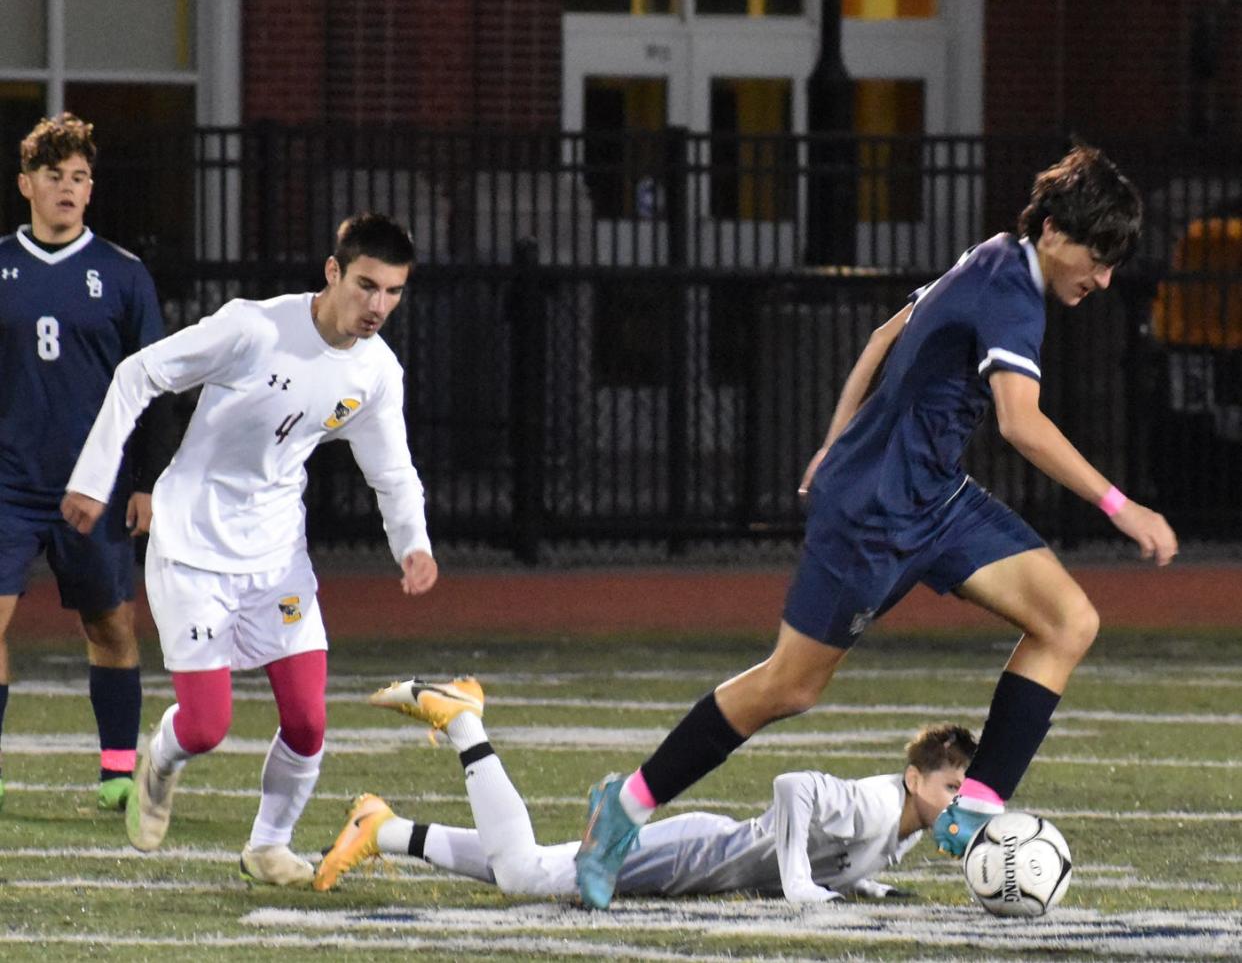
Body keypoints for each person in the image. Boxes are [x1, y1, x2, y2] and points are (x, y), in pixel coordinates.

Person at [574, 145, 1180, 909]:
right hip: (873, 515)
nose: (1103, 279)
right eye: (1099, 257)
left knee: (1070, 619)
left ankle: (977, 809)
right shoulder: (1011, 290)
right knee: (788, 686)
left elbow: (884, 335)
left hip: (936, 499)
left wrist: (836, 436)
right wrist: (1123, 507)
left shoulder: (994, 257)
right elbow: (1021, 425)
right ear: (1055, 231)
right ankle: (623, 806)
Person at [60, 213, 438, 885]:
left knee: (308, 718)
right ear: (332, 272)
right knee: (206, 725)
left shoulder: (377, 372)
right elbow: (138, 374)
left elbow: (392, 469)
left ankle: (269, 844)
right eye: (366, 286)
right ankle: (162, 763)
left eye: (394, 292)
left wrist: (413, 542)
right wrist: (93, 479)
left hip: (275, 553)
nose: (378, 306)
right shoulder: (254, 328)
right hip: (193, 542)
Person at [314, 676, 975, 903]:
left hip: (705, 852)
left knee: (543, 865)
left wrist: (862, 883)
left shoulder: (901, 825)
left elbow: (844, 852)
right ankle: (464, 721)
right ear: (915, 777)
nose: (957, 799)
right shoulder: (878, 801)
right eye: (950, 784)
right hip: (695, 856)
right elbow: (794, 785)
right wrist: (800, 881)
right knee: (524, 876)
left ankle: (385, 828)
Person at [0, 113, 174, 813]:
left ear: (91, 189)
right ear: (25, 185)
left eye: (78, 178)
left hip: (94, 487)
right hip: (7, 482)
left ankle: (116, 769)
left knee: (110, 624)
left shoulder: (123, 276)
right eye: (53, 176)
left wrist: (146, 482)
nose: (67, 188)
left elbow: (157, 385)